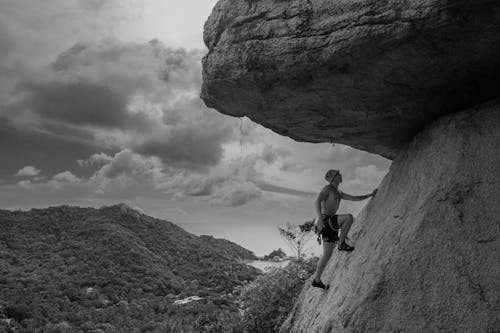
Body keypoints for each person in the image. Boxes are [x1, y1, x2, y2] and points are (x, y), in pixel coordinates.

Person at [311, 169, 377, 289]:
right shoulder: (328, 189)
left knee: (327, 254)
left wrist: (370, 195)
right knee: (348, 218)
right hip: (325, 221)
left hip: (327, 225)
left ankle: (316, 280)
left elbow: (354, 198)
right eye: (338, 174)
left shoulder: (338, 192)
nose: (341, 175)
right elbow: (317, 201)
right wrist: (320, 217)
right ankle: (341, 244)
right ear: (333, 178)